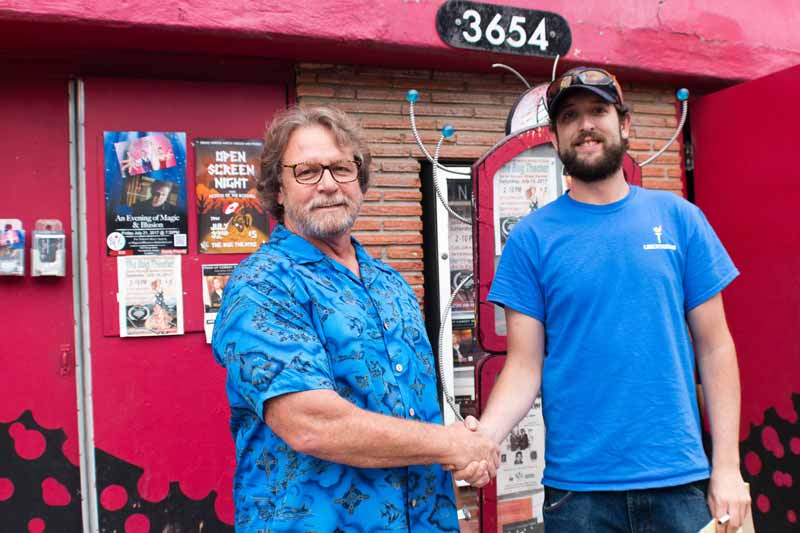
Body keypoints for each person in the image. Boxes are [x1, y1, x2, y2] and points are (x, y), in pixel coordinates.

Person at [457, 67, 751, 532]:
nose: (585, 124)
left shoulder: (679, 218)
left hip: (679, 482)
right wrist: (486, 438)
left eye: (598, 111)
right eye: (570, 116)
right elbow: (523, 364)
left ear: (625, 125)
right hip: (579, 495)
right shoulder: (532, 239)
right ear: (555, 137)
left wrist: (729, 467)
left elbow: (715, 349)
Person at [211, 105, 499, 532]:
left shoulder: (391, 284)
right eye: (307, 171)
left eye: (342, 168)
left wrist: (464, 449)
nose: (329, 185)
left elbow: (408, 409)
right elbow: (311, 422)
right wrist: (451, 445)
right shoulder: (261, 285)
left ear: (359, 179)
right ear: (278, 189)